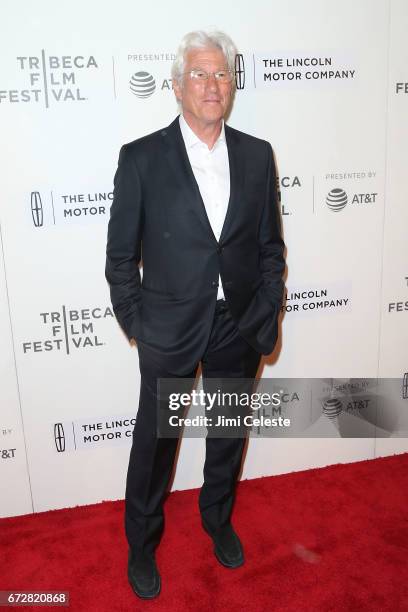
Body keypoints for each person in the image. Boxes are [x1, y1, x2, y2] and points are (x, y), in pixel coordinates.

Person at [105, 29, 285, 600]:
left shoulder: (257, 155)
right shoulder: (141, 158)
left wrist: (265, 310)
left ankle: (217, 518)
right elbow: (118, 259)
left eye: (223, 74)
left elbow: (269, 247)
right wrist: (140, 326)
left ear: (233, 86)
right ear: (178, 87)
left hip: (239, 326)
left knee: (228, 436)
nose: (213, 85)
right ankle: (141, 543)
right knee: (155, 447)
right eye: (201, 75)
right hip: (169, 332)